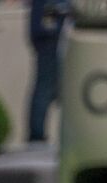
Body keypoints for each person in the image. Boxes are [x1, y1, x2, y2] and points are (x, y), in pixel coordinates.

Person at [27, 0, 70, 145]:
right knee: (44, 91)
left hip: (51, 35)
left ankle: (37, 135)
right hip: (50, 37)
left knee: (48, 90)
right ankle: (37, 136)